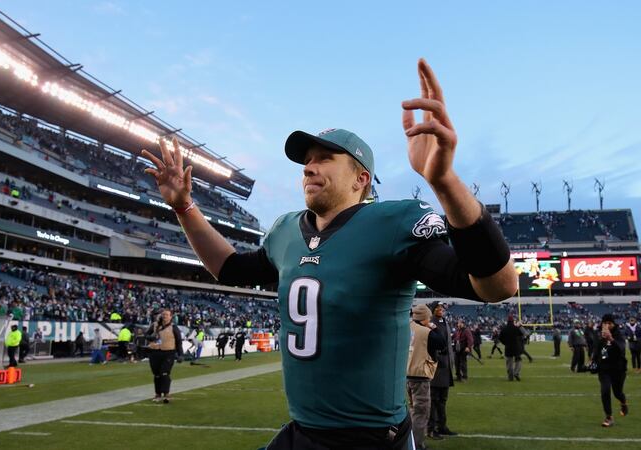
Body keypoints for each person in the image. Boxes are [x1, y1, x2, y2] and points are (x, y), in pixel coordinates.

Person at [141, 58, 516, 450]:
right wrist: (185, 207)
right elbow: (230, 268)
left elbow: (497, 285)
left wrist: (443, 181)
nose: (309, 168)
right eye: (306, 161)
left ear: (361, 179)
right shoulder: (286, 231)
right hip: (303, 431)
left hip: (370, 440)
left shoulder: (391, 224)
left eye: (324, 159)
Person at [407, 304, 444, 450]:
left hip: (408, 374)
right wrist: (434, 328)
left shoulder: (407, 327)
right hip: (420, 376)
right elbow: (441, 343)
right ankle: (417, 445)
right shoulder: (425, 332)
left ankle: (409, 442)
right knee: (421, 413)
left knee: (412, 410)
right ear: (423, 318)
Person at [591, 314, 629, 427]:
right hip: (604, 369)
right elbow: (596, 350)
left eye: (609, 323)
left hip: (618, 369)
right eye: (605, 323)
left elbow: (621, 350)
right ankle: (609, 417)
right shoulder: (598, 334)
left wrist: (611, 339)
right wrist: (593, 361)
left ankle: (623, 402)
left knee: (618, 393)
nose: (607, 325)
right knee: (605, 390)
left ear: (613, 324)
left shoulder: (618, 334)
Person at [429, 302, 457, 440]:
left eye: (442, 308)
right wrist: (437, 357)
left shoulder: (443, 322)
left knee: (443, 399)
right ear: (433, 310)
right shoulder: (430, 323)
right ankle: (431, 428)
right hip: (436, 367)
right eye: (438, 308)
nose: (440, 310)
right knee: (434, 399)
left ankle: (442, 426)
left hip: (445, 367)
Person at [145, 309, 183, 403]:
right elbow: (146, 334)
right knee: (157, 375)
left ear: (171, 317)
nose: (164, 316)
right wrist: (150, 337)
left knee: (165, 373)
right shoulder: (154, 325)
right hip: (154, 352)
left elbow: (178, 342)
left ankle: (166, 394)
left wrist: (180, 354)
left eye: (166, 315)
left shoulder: (174, 327)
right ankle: (158, 394)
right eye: (163, 314)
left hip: (168, 352)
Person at [499, 317, 523, 381]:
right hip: (516, 347)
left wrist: (505, 343)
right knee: (518, 360)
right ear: (513, 321)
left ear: (507, 321)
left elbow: (500, 338)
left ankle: (510, 377)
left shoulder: (504, 329)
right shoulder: (515, 328)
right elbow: (522, 334)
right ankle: (516, 373)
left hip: (508, 347)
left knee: (509, 363)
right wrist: (519, 326)